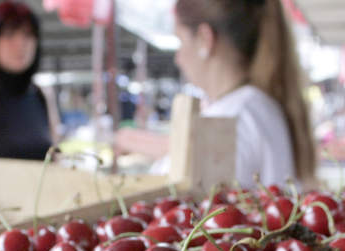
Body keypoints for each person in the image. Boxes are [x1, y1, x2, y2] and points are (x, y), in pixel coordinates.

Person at [117, 0, 317, 189]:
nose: (178, 59)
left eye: (181, 41)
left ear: (205, 39)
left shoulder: (228, 121)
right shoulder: (255, 106)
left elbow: (198, 214)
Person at [0, 1, 55, 160]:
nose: (20, 44)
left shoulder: (40, 95)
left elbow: (55, 153)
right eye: (9, 34)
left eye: (28, 35)